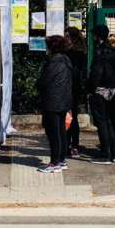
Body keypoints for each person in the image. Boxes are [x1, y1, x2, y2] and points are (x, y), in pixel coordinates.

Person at [36, 35, 73, 173]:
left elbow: (44, 81)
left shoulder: (53, 62)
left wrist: (38, 84)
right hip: (64, 100)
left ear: (52, 47)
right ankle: (61, 160)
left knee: (53, 133)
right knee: (61, 132)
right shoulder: (66, 60)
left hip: (52, 101)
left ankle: (55, 162)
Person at [87, 25, 115, 165]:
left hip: (100, 89)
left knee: (101, 122)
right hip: (112, 90)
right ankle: (114, 153)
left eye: (94, 35)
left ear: (98, 36)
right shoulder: (114, 51)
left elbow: (96, 72)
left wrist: (90, 88)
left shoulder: (100, 51)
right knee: (109, 121)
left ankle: (105, 154)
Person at [64, 27, 87, 158]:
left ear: (71, 38)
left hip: (70, 87)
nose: (65, 38)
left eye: (67, 36)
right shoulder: (82, 51)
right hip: (76, 87)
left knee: (68, 116)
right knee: (73, 117)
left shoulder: (70, 53)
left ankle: (69, 144)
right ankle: (74, 145)